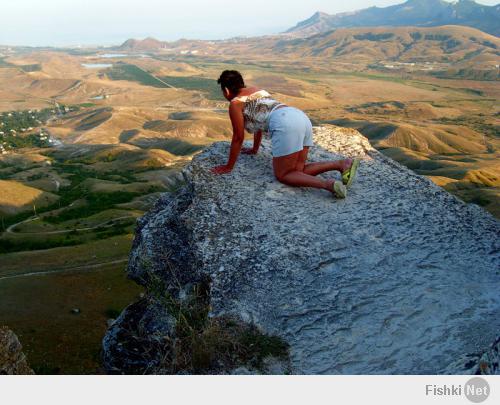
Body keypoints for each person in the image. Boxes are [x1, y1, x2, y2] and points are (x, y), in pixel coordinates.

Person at [211, 70, 359, 198]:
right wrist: (255, 149)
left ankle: (328, 185)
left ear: (226, 91)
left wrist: (228, 166)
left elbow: (238, 137)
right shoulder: (258, 90)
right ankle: (341, 164)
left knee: (283, 175)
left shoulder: (236, 104)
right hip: (300, 117)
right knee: (298, 171)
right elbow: (259, 123)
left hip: (285, 123)